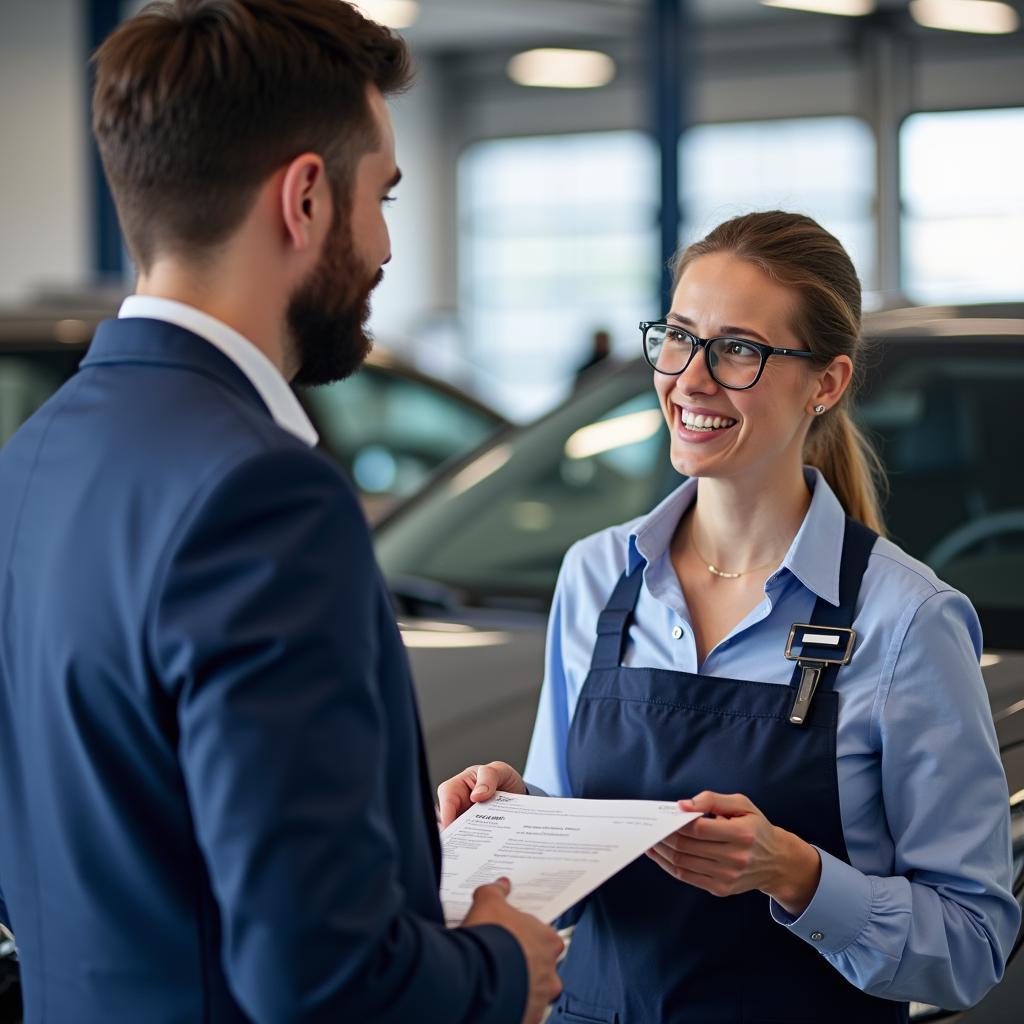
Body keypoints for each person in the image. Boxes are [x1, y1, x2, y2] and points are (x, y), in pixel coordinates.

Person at [0, 2, 563, 1021]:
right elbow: (321, 978)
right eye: (381, 194)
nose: (387, 243)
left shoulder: (38, 455)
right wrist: (501, 968)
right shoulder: (265, 495)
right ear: (305, 198)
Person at [439, 211, 1020, 1022]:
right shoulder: (598, 577)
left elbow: (971, 948)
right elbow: (563, 882)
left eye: (739, 350)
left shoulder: (906, 622)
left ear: (827, 382)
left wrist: (798, 874)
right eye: (677, 337)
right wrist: (510, 818)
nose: (691, 379)